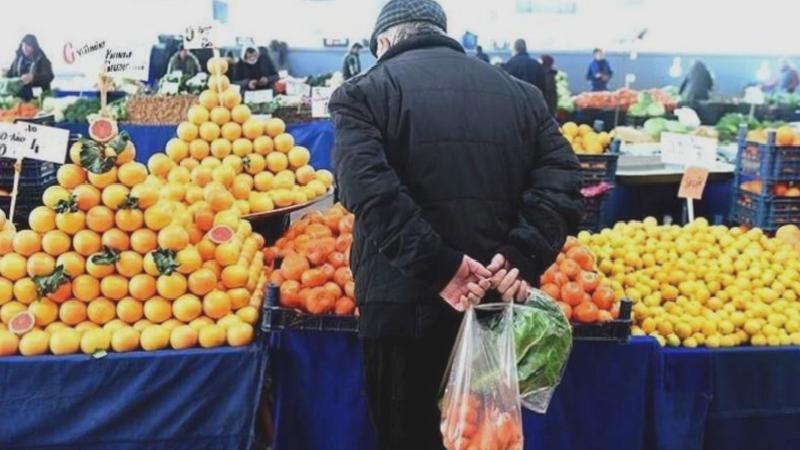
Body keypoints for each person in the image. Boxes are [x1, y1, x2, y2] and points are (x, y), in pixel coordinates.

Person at [329, 1, 582, 448]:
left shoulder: (363, 93)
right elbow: (562, 180)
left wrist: (440, 267)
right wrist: (521, 255)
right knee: (483, 437)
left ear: (385, 41)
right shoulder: (522, 95)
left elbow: (368, 190)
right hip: (493, 309)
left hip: (400, 312)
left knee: (406, 435)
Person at [6, 34, 53, 100]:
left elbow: (49, 76)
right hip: (19, 97)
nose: (25, 48)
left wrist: (33, 77)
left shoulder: (42, 60)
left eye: (28, 45)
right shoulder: (18, 59)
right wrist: (5, 75)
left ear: (34, 47)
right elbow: (12, 74)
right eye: (23, 45)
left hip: (39, 97)